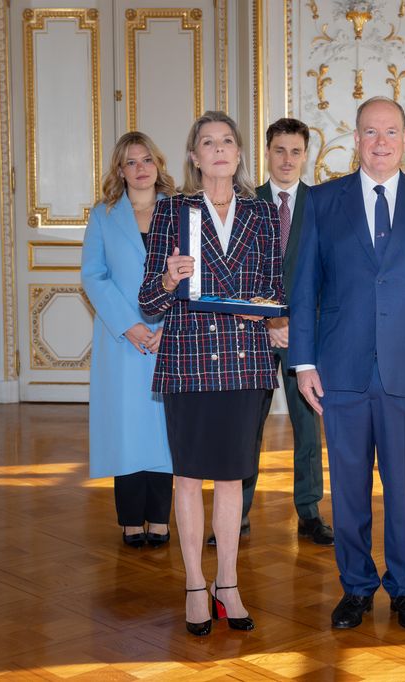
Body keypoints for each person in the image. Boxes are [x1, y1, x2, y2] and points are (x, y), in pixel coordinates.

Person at [290, 96, 405, 631]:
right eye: (371, 132)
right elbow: (304, 290)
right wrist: (303, 362)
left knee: (404, 486)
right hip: (339, 369)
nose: (382, 142)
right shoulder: (322, 202)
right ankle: (356, 585)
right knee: (347, 487)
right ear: (357, 139)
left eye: (391, 131)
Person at [139, 110, 283, 636]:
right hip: (189, 359)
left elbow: (277, 289)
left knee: (231, 477)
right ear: (195, 157)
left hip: (244, 360)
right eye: (208, 142)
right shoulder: (172, 211)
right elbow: (149, 300)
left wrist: (265, 309)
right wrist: (168, 276)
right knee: (187, 476)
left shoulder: (263, 214)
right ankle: (194, 585)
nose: (219, 149)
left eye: (227, 141)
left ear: (240, 153)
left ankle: (229, 582)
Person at [205, 117, 333, 548]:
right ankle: (235, 514)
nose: (287, 159)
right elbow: (231, 272)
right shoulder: (243, 201)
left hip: (305, 336)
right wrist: (267, 320)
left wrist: (298, 325)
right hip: (251, 335)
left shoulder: (322, 204)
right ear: (266, 152)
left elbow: (331, 275)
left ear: (305, 155)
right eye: (280, 150)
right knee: (245, 429)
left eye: (296, 151)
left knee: (307, 426)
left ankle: (310, 511)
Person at [82, 131, 177, 549]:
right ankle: (130, 520)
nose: (140, 169)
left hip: (169, 334)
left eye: (146, 160)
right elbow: (93, 275)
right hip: (122, 338)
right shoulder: (104, 215)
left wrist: (165, 326)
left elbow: (194, 272)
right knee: (127, 428)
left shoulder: (179, 211)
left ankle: (160, 517)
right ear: (119, 171)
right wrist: (129, 325)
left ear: (158, 164)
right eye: (130, 162)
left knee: (164, 429)